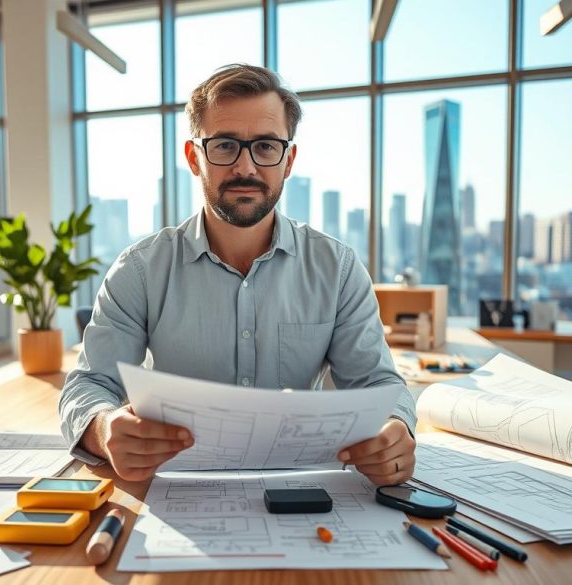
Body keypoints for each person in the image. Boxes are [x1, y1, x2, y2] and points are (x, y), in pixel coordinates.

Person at [59, 64, 416, 485]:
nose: (246, 167)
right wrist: (103, 428)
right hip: (178, 490)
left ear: (288, 161)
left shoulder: (336, 268)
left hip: (303, 490)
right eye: (225, 145)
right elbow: (89, 383)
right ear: (194, 157)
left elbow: (377, 382)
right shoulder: (140, 270)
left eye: (265, 147)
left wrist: (397, 428)